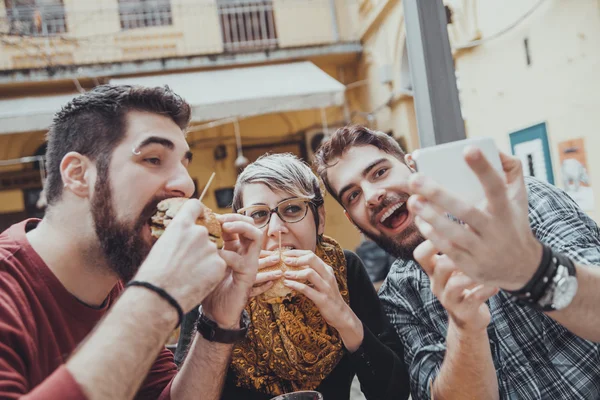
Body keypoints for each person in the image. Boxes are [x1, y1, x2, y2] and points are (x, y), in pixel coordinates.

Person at [0, 85, 263, 399]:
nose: (185, 185)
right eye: (153, 159)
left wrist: (217, 321)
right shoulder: (9, 292)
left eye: (184, 165)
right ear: (78, 174)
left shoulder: (120, 287)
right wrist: (157, 297)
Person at [314, 125, 600, 399]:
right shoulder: (399, 295)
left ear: (413, 166)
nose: (372, 196)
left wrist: (532, 270)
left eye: (380, 172)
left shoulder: (520, 205)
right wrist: (465, 328)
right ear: (352, 220)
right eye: (353, 195)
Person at [175, 153, 411, 400]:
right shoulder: (216, 279)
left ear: (319, 219)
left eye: (292, 208)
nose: (276, 229)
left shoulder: (344, 269)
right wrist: (220, 320)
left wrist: (343, 317)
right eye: (258, 214)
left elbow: (393, 393)